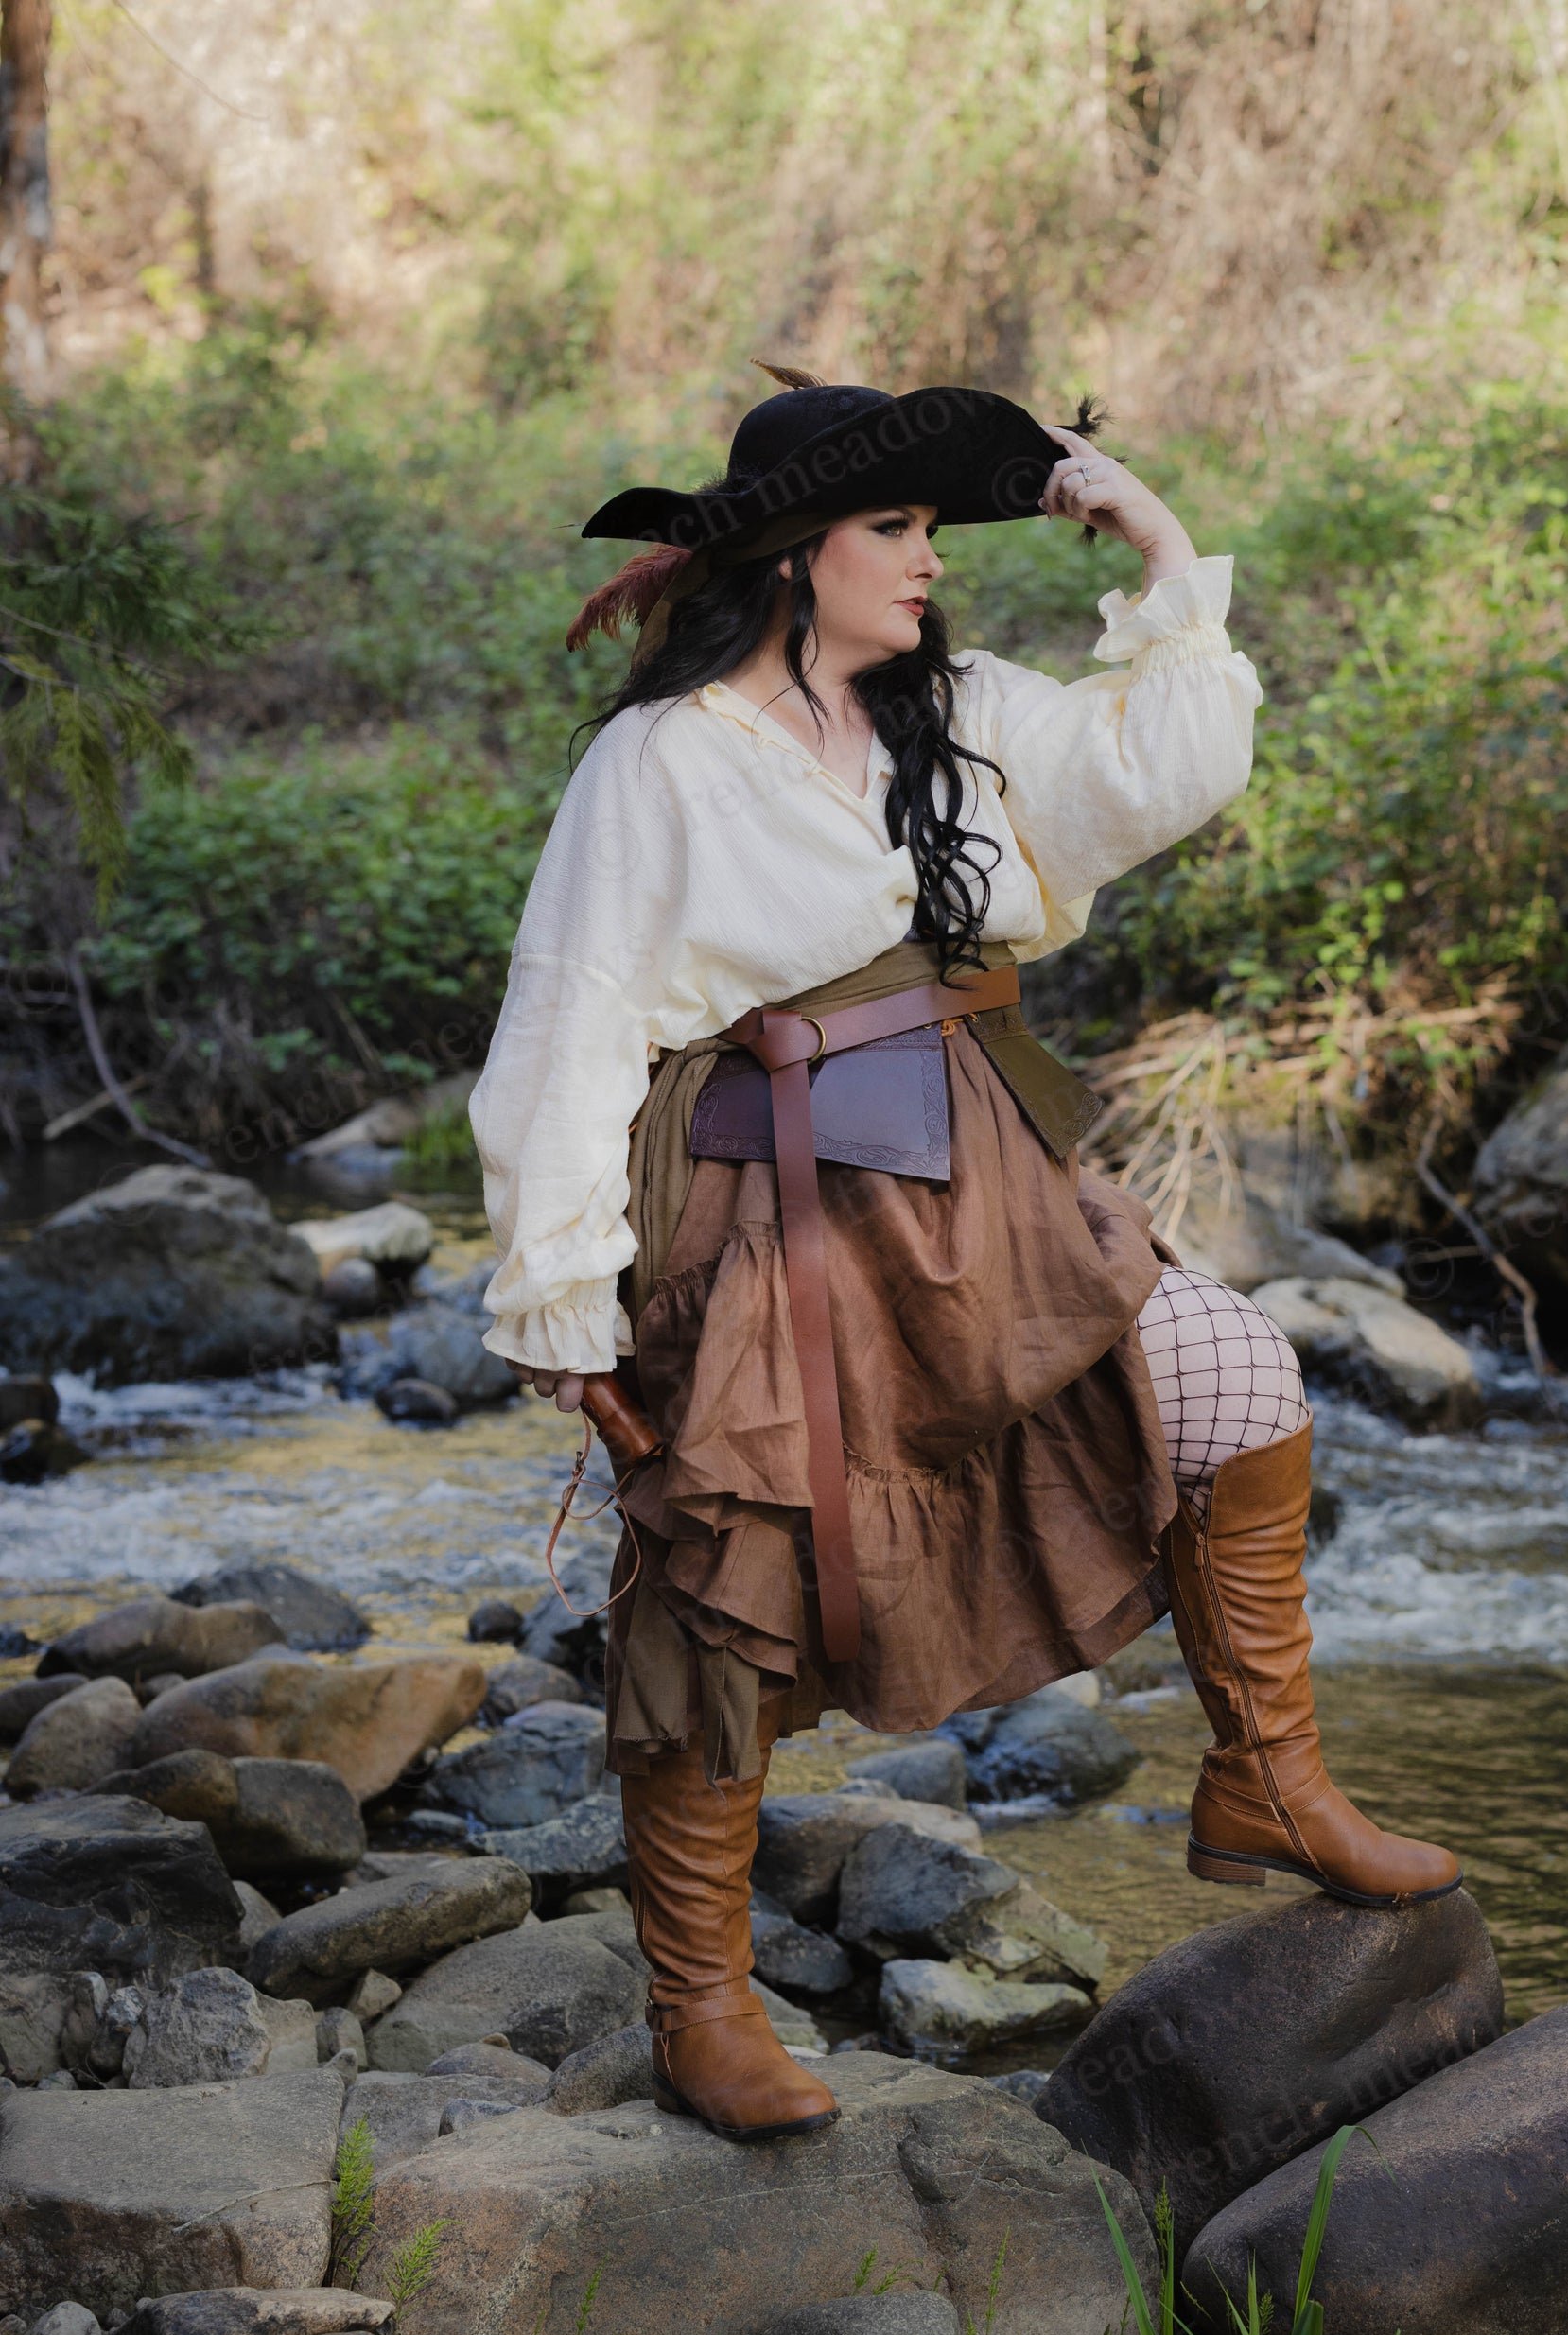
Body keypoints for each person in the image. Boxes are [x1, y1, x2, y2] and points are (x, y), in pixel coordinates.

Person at [470, 368, 1459, 2144]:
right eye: (894, 527)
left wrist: (1151, 537)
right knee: (732, 1577)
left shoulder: (971, 714)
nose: (928, 559)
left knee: (1237, 1377)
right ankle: (702, 2002)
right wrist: (562, 1293)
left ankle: (1263, 1777)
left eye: (935, 526)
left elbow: (1173, 759)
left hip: (983, 1176)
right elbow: (575, 1014)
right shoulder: (663, 758)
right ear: (791, 554)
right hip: (757, 1195)